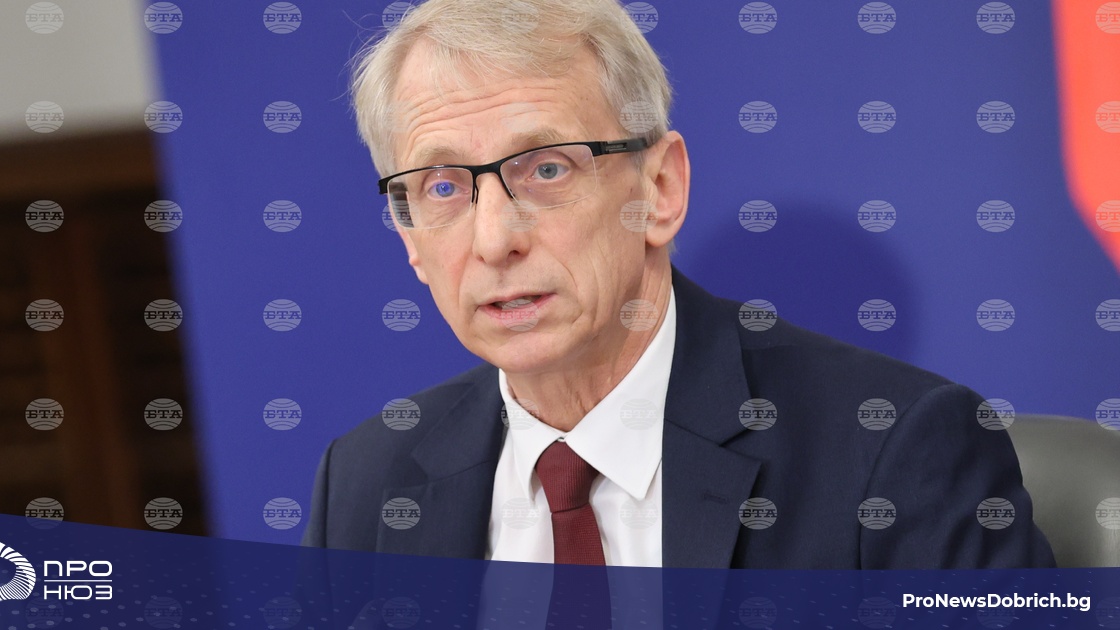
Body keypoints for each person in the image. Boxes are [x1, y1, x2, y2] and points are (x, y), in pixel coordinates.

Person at [302, 0, 1055, 569]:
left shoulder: (892, 452)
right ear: (409, 237)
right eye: (442, 187)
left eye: (547, 169)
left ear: (659, 189)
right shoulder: (366, 486)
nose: (495, 239)